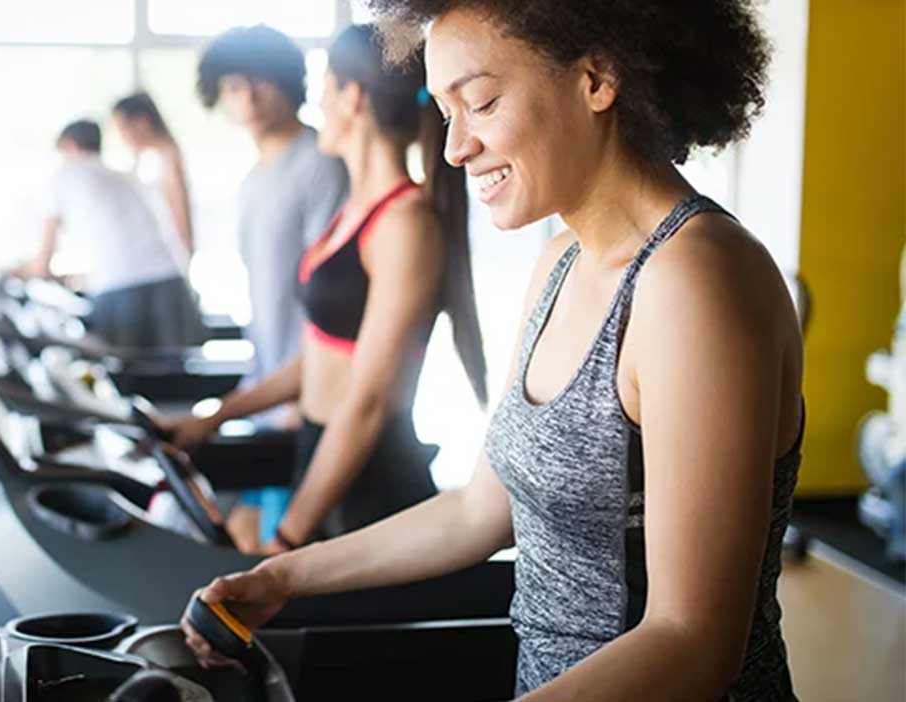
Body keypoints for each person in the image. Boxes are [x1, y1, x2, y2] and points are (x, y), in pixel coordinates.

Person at [183, 4, 804, 701]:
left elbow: (692, 642)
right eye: (447, 111)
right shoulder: (562, 263)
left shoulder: (695, 282)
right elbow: (477, 511)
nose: (454, 148)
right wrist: (285, 576)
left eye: (480, 102)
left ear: (597, 78)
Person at [170, 24, 488, 552]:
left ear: (352, 97)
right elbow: (320, 357)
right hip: (319, 457)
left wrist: (289, 536)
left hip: (368, 484)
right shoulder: (353, 210)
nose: (315, 102)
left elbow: (366, 399)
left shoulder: (405, 223)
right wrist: (213, 419)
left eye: (324, 88)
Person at [193, 25, 349, 548]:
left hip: (307, 397)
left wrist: (298, 393)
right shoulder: (253, 178)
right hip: (269, 387)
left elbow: (334, 293)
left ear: (288, 83)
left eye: (260, 82)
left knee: (278, 555)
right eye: (234, 87)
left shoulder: (320, 165)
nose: (248, 98)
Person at [17, 119, 204, 348]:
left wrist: (13, 273)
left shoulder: (65, 174)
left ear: (70, 144)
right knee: (177, 377)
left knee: (127, 379)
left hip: (123, 292)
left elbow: (42, 264)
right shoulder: (123, 176)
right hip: (172, 283)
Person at [112, 92, 195, 261]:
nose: (122, 136)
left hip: (168, 259)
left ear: (142, 123)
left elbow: (179, 209)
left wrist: (186, 255)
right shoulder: (147, 157)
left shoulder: (165, 157)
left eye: (123, 128)